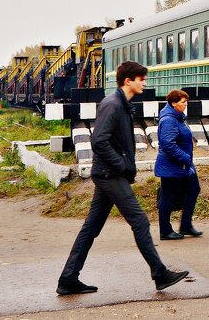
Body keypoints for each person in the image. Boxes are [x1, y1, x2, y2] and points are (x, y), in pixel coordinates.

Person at [56, 61, 189, 295]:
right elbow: (99, 141)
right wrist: (122, 165)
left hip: (108, 174)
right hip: (110, 175)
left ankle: (68, 278)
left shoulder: (121, 103)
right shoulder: (113, 104)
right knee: (140, 221)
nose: (144, 83)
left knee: (91, 228)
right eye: (141, 79)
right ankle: (160, 273)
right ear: (128, 81)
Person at [155, 89, 202, 240]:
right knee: (167, 197)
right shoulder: (169, 119)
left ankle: (186, 225)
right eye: (183, 102)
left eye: (186, 102)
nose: (186, 105)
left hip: (182, 164)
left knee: (193, 189)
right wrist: (185, 158)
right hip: (172, 165)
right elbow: (168, 144)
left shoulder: (178, 117)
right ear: (173, 103)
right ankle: (165, 231)